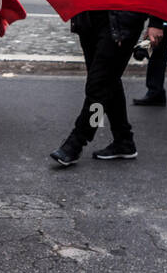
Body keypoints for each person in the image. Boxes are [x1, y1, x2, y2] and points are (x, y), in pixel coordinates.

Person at [50, 9, 147, 167]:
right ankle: (124, 140)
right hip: (89, 19)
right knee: (108, 82)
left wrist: (157, 24)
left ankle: (77, 141)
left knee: (98, 86)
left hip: (121, 21)